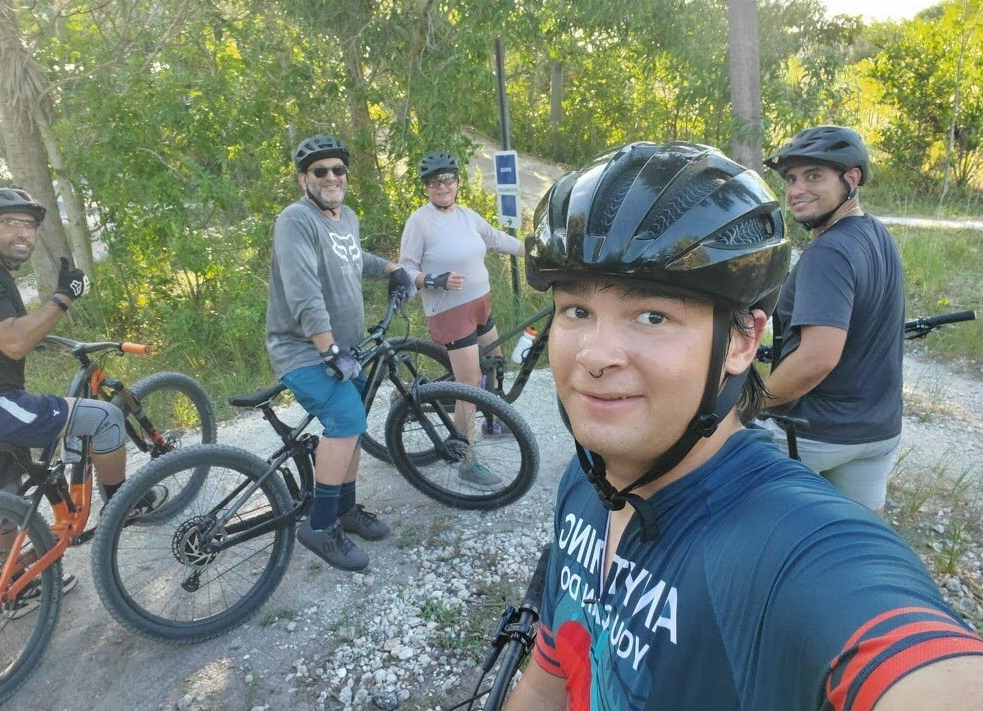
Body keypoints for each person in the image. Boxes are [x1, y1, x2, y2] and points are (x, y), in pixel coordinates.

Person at [505, 141, 983, 710]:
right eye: (576, 311)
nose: (595, 355)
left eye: (653, 316)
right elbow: (550, 672)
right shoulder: (584, 484)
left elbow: (915, 657)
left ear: (740, 340)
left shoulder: (788, 545)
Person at [0, 188, 168, 617]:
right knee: (106, 417)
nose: (22, 232)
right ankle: (123, 504)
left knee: (4, 493)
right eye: (9, 223)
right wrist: (64, 296)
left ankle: (1, 584)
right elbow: (14, 341)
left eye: (29, 225)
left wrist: (46, 331)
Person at [266, 134, 414, 573]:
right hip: (304, 350)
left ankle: (346, 510)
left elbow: (354, 257)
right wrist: (329, 350)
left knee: (353, 424)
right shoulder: (295, 220)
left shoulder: (345, 216)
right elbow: (303, 293)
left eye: (338, 170)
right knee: (346, 419)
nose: (331, 177)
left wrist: (392, 268)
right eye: (320, 171)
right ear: (303, 180)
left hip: (343, 349)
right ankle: (321, 524)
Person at [759, 126, 904, 516]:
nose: (796, 190)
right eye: (791, 178)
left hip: (815, 432)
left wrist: (753, 401)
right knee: (861, 537)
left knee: (709, 471)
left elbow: (817, 358)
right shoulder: (877, 235)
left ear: (851, 179)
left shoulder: (828, 253)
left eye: (813, 176)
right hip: (878, 430)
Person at [398, 151, 524, 487]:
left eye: (448, 179)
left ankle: (492, 421)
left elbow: (496, 238)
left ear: (457, 183)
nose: (442, 186)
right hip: (450, 311)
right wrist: (434, 281)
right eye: (434, 181)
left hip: (479, 303)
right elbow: (405, 269)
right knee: (468, 384)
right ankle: (467, 461)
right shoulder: (419, 222)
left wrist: (532, 250)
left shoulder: (467, 216)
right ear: (426, 187)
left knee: (496, 360)